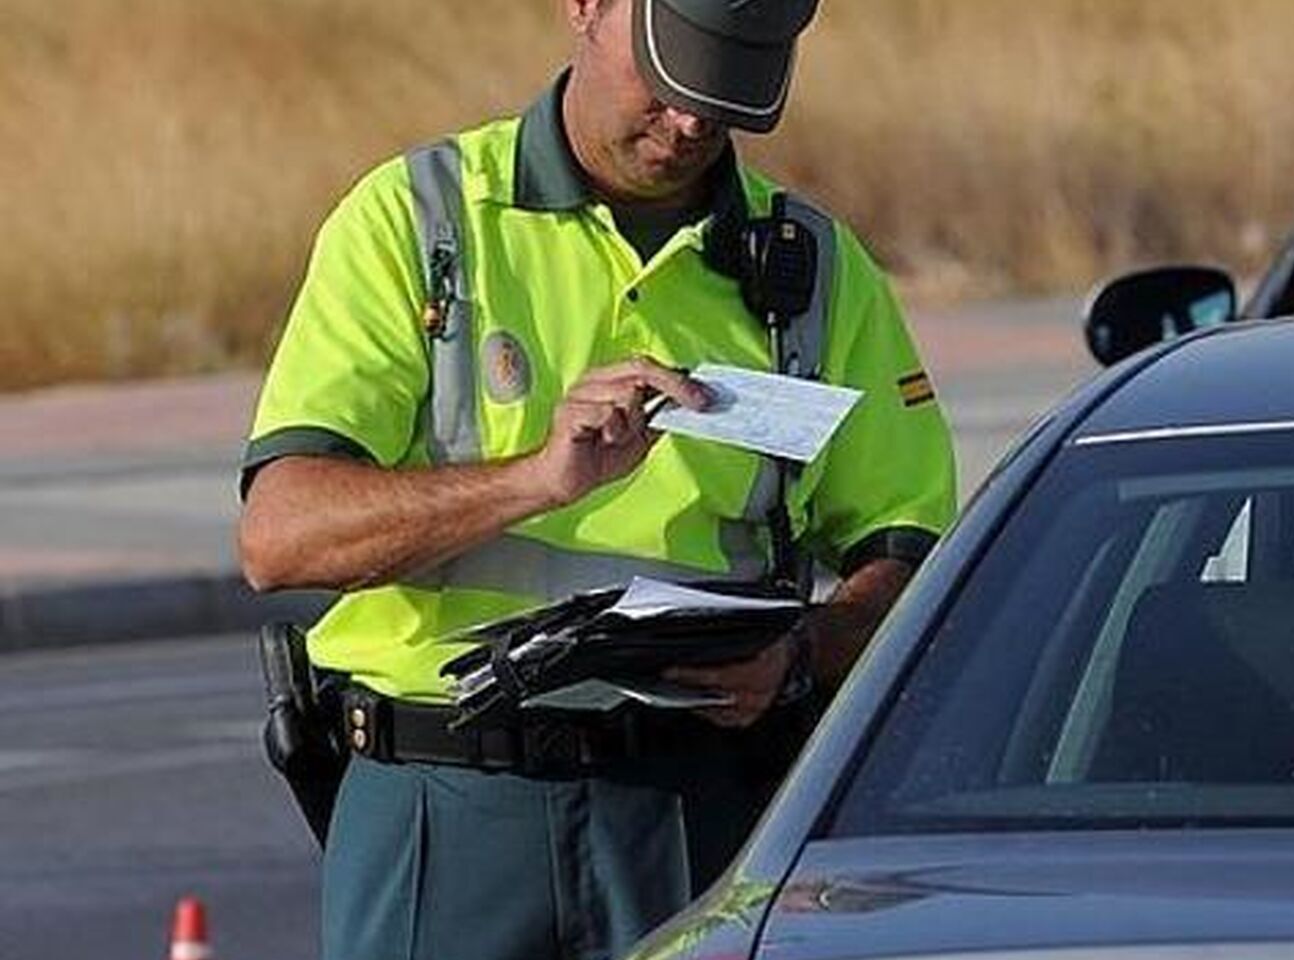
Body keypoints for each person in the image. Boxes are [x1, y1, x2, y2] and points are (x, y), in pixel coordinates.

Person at [236, 0, 957, 957]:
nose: (692, 120)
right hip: (443, 806)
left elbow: (922, 565)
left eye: (729, 89)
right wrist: (535, 480)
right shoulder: (418, 220)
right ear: (583, 8)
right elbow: (280, 537)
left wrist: (802, 656)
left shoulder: (817, 268)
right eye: (670, 73)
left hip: (697, 806)